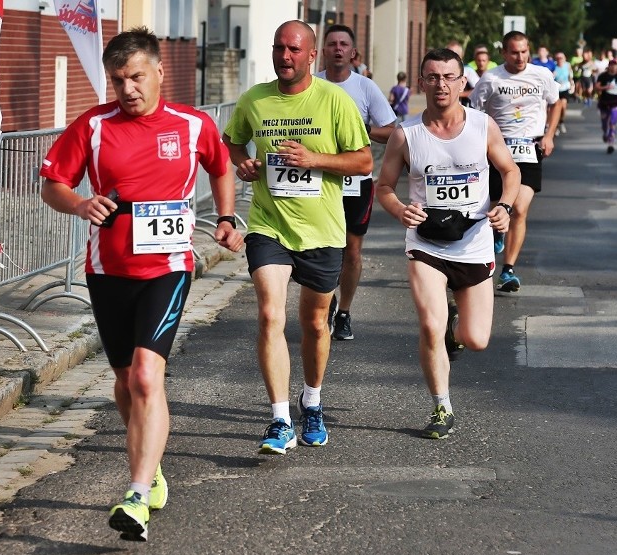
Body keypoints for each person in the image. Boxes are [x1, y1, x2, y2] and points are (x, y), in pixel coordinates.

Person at [39, 27, 244, 542]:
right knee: (126, 382)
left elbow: (221, 166)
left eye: (134, 77)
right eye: (116, 79)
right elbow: (53, 185)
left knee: (148, 378)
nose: (126, 88)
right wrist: (81, 203)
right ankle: (149, 466)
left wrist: (225, 216)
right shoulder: (93, 125)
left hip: (168, 268)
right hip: (108, 271)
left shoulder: (192, 124)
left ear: (158, 72)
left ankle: (134, 495)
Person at [222, 21, 372, 454]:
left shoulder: (333, 100)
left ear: (311, 57)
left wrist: (315, 159)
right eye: (278, 48)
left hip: (323, 230)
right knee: (270, 315)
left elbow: (362, 160)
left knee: (313, 324)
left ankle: (312, 401)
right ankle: (279, 419)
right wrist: (243, 163)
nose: (284, 56)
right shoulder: (255, 99)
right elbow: (232, 143)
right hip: (270, 226)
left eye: (293, 49)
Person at [375, 48, 520, 439]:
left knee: (476, 340)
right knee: (429, 324)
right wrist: (399, 209)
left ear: (462, 83)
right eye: (432, 77)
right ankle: (442, 406)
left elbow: (510, 170)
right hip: (427, 246)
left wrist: (504, 205)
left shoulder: (482, 126)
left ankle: (455, 331)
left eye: (448, 77)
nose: (440, 84)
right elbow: (384, 186)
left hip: (474, 243)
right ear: (422, 82)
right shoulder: (406, 134)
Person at [316, 24, 397, 341]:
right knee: (320, 247)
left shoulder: (365, 88)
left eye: (343, 44)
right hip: (318, 180)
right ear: (323, 51)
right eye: (332, 43)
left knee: (351, 251)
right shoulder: (311, 84)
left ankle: (345, 311)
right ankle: (326, 300)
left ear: (353, 52)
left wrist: (359, 132)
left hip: (356, 182)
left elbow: (391, 130)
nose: (338, 49)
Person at [470, 30, 561, 293]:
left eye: (524, 51)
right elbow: (476, 111)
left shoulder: (542, 75)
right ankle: (498, 233)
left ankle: (508, 270)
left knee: (519, 208)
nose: (520, 57)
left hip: (530, 148)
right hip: (499, 149)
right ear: (504, 53)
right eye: (514, 52)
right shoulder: (491, 78)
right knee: (498, 206)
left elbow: (556, 103)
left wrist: (550, 134)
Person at [595, 59, 617, 154]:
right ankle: (605, 133)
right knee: (604, 124)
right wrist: (606, 87)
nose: (614, 67)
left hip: (615, 103)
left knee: (612, 123)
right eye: (612, 65)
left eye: (615, 65)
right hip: (604, 103)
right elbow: (597, 87)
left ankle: (611, 144)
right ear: (609, 66)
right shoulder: (603, 76)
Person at [553, 51, 574, 134]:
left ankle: (561, 121)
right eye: (558, 58)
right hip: (556, 89)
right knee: (556, 108)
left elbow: (570, 76)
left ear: (564, 59)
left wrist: (572, 84)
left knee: (563, 106)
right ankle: (556, 125)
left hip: (565, 88)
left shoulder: (567, 65)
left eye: (561, 58)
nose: (560, 60)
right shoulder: (554, 66)